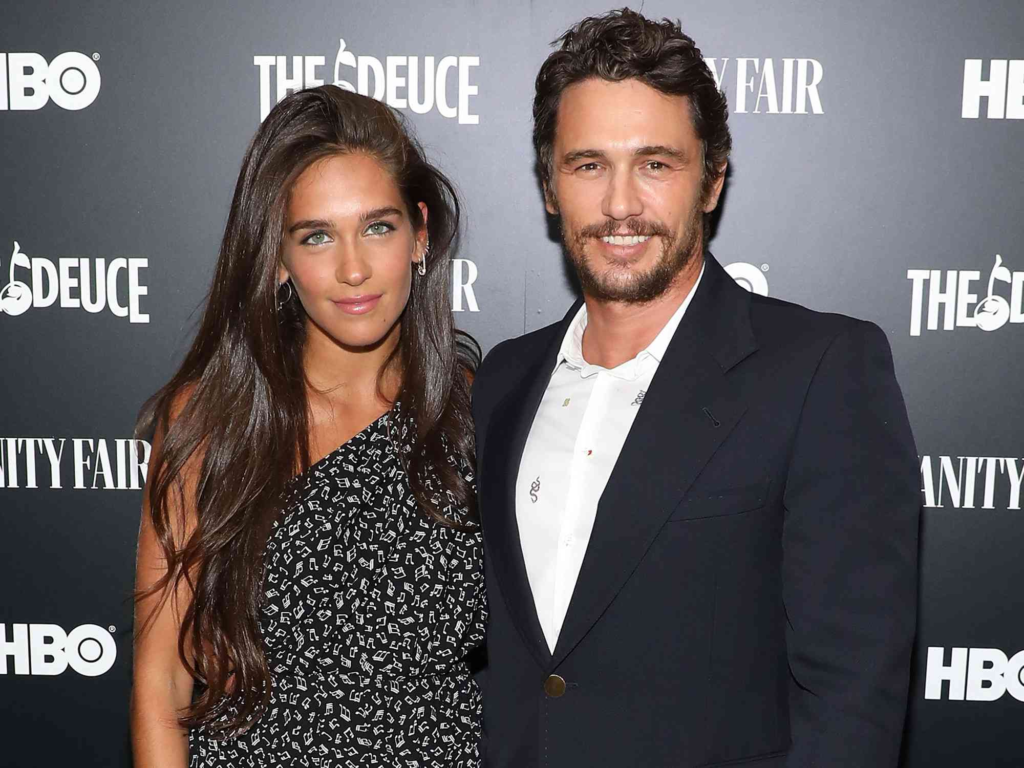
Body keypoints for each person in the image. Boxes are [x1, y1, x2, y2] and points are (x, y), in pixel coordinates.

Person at [471, 9, 920, 767]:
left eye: (655, 164)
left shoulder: (820, 370)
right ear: (550, 184)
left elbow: (852, 701)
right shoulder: (502, 380)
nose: (620, 205)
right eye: (588, 165)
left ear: (711, 180)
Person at [131, 85, 485, 768]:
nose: (353, 269)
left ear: (420, 234)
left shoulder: (476, 414)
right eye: (317, 236)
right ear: (278, 258)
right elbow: (160, 682)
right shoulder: (211, 421)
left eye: (377, 227)